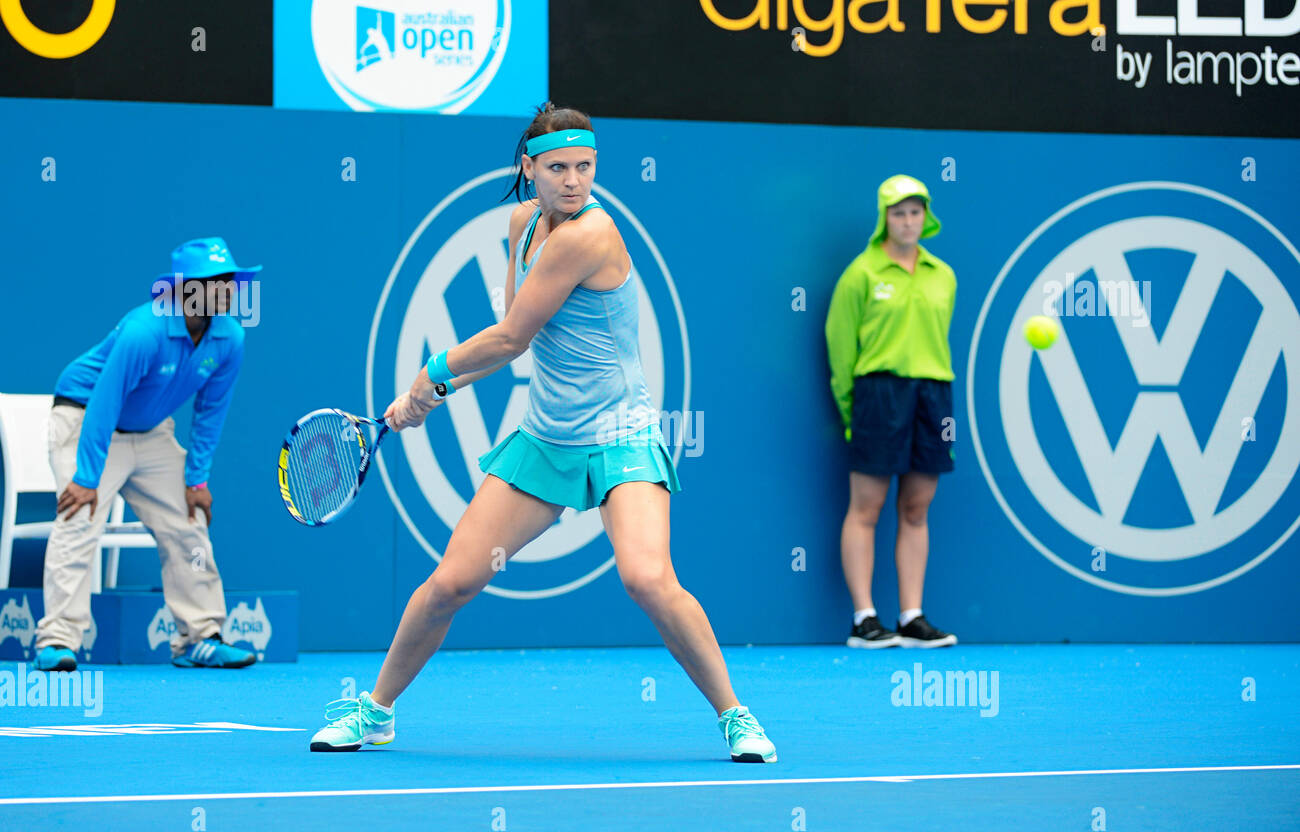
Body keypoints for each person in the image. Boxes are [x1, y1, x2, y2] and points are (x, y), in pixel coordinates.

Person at [310, 103, 776, 762]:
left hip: (620, 435)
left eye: (585, 166)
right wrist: (434, 391)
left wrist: (430, 378)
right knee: (451, 582)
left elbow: (508, 337)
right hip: (547, 436)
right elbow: (516, 340)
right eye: (558, 167)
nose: (574, 181)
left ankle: (736, 716)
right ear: (528, 168)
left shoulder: (592, 234)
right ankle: (376, 710)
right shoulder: (521, 222)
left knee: (647, 577)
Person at [32, 237, 259, 671]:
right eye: (217, 280)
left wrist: (197, 480)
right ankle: (57, 641)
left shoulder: (230, 338)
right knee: (78, 517)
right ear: (185, 287)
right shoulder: (145, 330)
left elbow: (211, 412)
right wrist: (86, 476)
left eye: (231, 279)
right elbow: (105, 399)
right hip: (86, 419)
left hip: (150, 432)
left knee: (189, 521)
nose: (229, 288)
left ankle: (200, 637)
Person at [826, 175, 959, 650]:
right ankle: (864, 619)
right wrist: (851, 410)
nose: (907, 221)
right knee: (867, 507)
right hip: (877, 395)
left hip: (934, 394)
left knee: (917, 507)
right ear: (885, 218)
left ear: (926, 217)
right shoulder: (861, 274)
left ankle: (911, 616)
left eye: (915, 212)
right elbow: (841, 351)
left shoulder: (943, 275)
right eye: (898, 212)